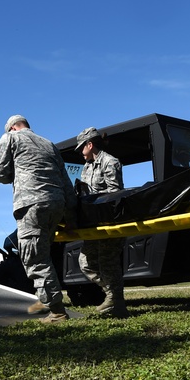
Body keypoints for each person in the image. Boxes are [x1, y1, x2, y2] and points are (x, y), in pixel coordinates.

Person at [0, 115, 77, 323]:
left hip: (31, 204)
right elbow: (66, 182)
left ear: (12, 128)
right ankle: (46, 301)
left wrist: (16, 172)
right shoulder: (49, 144)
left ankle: (56, 311)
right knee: (45, 255)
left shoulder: (10, 138)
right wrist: (71, 215)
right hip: (57, 204)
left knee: (34, 258)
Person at [74, 127, 128, 318]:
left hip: (109, 222)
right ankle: (113, 296)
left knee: (107, 263)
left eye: (82, 147)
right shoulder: (88, 166)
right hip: (93, 223)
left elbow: (115, 193)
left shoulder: (110, 162)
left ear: (90, 145)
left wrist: (94, 198)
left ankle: (116, 302)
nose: (81, 151)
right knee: (85, 262)